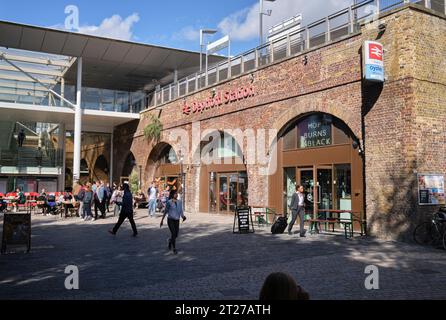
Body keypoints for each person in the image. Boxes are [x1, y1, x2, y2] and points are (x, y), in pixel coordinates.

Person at [160, 190, 186, 254]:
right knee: (173, 233)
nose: (176, 195)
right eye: (175, 194)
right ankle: (174, 248)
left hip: (177, 220)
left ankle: (170, 241)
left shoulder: (179, 202)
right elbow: (165, 211)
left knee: (176, 234)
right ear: (172, 195)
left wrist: (183, 217)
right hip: (170, 220)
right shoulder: (169, 202)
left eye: (177, 194)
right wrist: (162, 220)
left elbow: (181, 211)